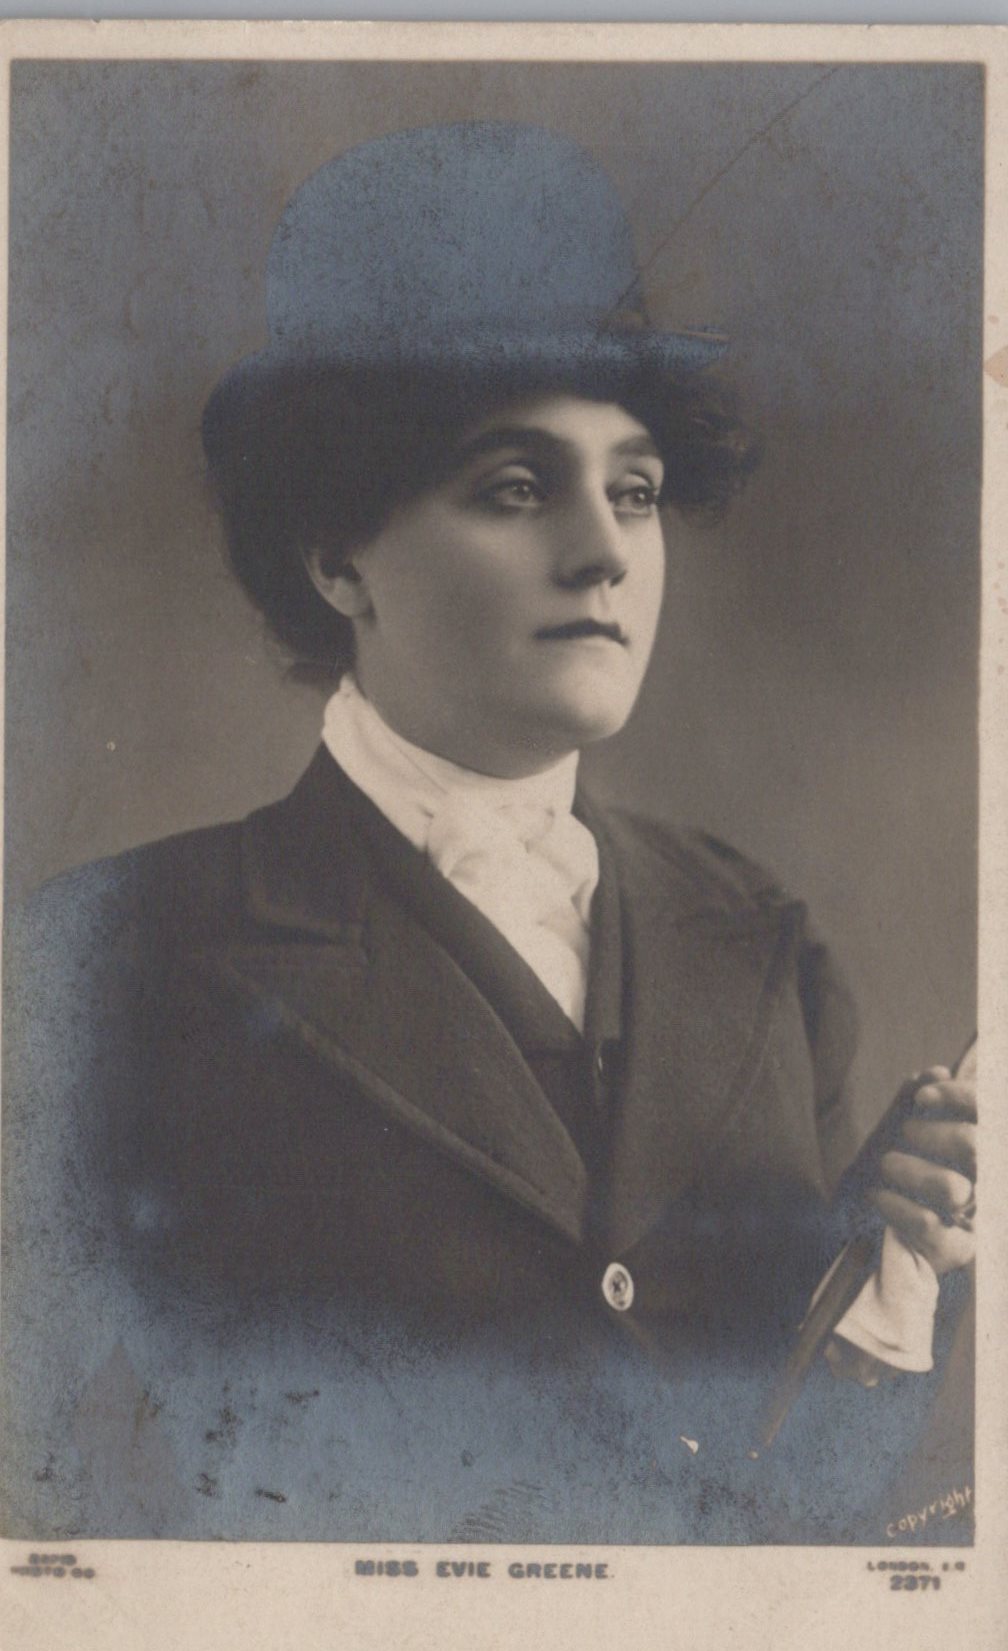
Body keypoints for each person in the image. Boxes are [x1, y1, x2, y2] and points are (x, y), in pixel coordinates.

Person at [1, 122, 976, 1545]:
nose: (603, 549)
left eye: (633, 490)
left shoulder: (763, 945)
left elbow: (800, 1519)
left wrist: (893, 1269)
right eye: (517, 489)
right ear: (336, 554)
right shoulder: (93, 964)